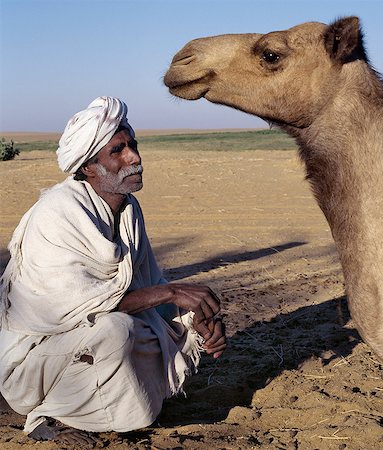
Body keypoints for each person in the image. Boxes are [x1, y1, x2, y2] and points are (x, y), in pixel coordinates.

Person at [0, 96, 226, 446]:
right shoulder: (56, 213)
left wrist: (191, 319)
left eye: (132, 145)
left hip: (85, 341)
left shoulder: (128, 210)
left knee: (145, 328)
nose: (134, 158)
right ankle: (51, 415)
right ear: (88, 166)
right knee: (116, 329)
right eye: (117, 151)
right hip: (34, 364)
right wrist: (172, 293)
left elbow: (147, 287)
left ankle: (116, 404)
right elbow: (77, 308)